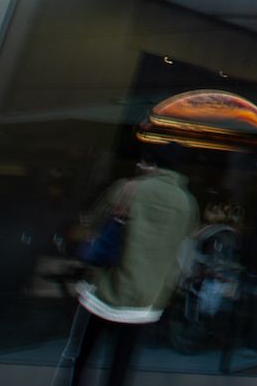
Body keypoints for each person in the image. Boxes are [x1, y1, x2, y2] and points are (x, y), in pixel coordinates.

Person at [69, 142, 198, 386]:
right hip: (148, 294)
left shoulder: (129, 188)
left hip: (107, 286)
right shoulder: (187, 202)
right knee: (122, 362)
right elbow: (184, 247)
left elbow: (94, 224)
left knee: (84, 353)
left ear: (152, 162)